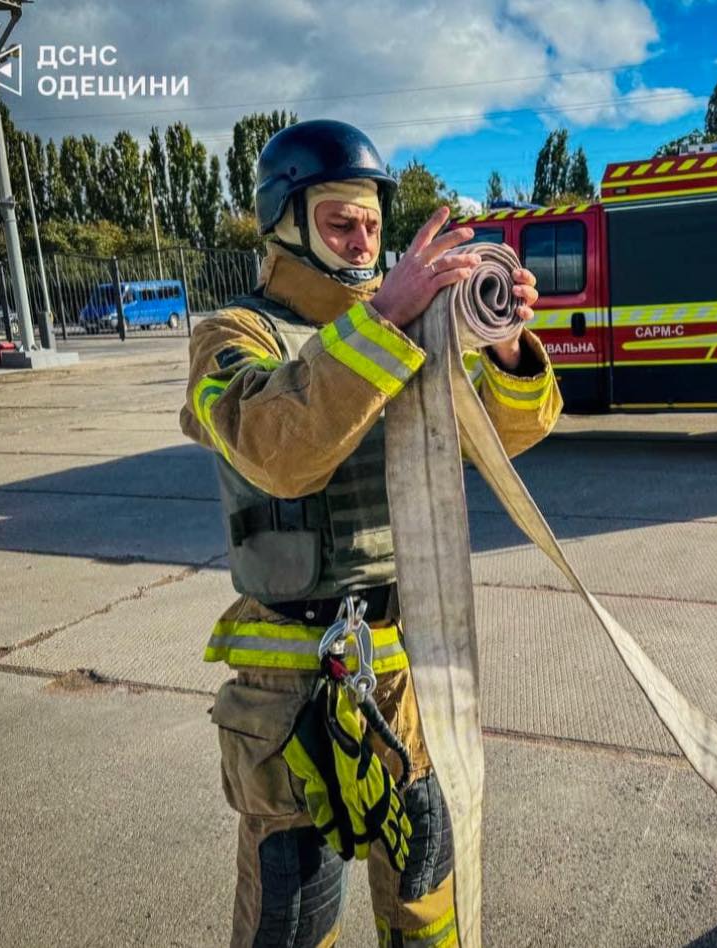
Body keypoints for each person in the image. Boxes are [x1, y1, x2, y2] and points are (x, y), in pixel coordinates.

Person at [179, 119, 562, 948]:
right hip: (288, 690)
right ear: (284, 222)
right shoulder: (233, 336)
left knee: (429, 898)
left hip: (408, 672)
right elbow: (278, 451)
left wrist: (505, 347)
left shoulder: (406, 332)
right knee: (294, 911)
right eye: (339, 223)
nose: (362, 243)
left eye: (372, 225)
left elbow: (504, 436)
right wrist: (386, 316)